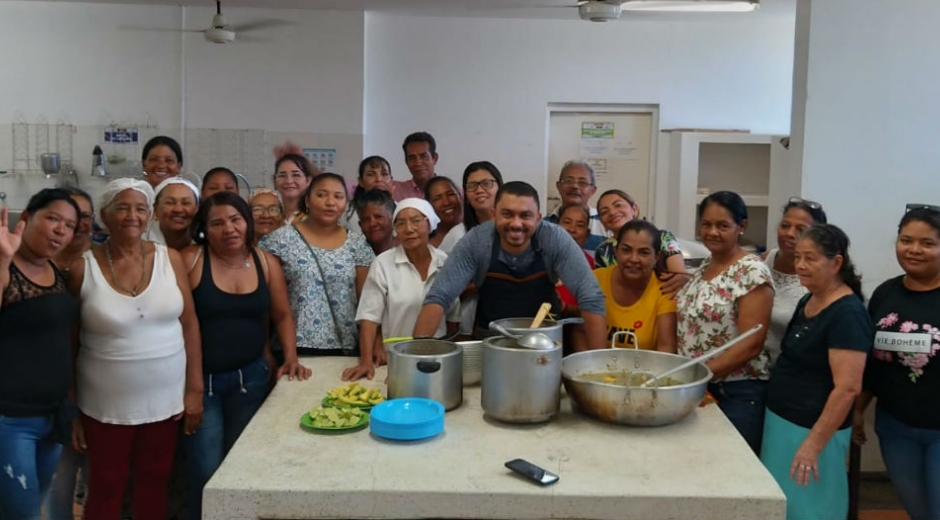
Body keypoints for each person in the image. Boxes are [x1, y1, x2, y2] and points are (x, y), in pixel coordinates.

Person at [67, 178, 203, 520]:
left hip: (164, 399)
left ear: (150, 216)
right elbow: (68, 344)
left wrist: (194, 390)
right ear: (104, 215)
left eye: (140, 208)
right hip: (103, 404)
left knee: (154, 482)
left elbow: (189, 325)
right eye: (122, 208)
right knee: (106, 484)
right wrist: (70, 409)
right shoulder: (84, 266)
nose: (132, 216)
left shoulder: (169, 259)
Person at [181, 192, 310, 519]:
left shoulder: (265, 262)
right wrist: (192, 389)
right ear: (204, 229)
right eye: (217, 223)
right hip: (202, 385)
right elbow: (181, 324)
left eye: (236, 219)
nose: (229, 228)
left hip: (251, 380)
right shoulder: (191, 260)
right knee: (206, 472)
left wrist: (290, 356)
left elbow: (282, 315)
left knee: (243, 468)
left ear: (247, 222)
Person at [761, 224, 872, 520]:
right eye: (797, 257)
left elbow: (848, 388)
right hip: (782, 423)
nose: (800, 265)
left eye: (810, 258)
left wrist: (812, 445)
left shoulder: (847, 313)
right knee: (784, 505)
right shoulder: (808, 299)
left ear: (836, 263)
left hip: (813, 431)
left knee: (813, 508)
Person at [413, 181, 607, 350]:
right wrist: (414, 358)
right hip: (490, 343)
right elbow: (439, 296)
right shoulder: (477, 241)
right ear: (493, 215)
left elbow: (591, 298)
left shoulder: (554, 239)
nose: (516, 223)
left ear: (538, 218)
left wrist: (600, 365)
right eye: (507, 214)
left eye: (525, 216)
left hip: (544, 345)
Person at [854, 205, 940, 520]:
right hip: (895, 428)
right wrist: (859, 407)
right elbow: (873, 362)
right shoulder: (885, 293)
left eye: (928, 243)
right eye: (906, 240)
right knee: (917, 511)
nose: (914, 250)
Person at [0, 191, 79, 520]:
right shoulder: (6, 267)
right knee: (24, 513)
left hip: (52, 414)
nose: (61, 229)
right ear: (26, 219)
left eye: (70, 224)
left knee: (36, 502)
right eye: (52, 218)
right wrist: (3, 259)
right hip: (11, 418)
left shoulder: (54, 269)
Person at [675, 191, 773, 454]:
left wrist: (701, 376)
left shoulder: (751, 271)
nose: (712, 232)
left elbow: (751, 343)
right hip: (699, 389)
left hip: (736, 391)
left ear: (741, 227)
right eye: (706, 224)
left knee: (732, 469)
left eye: (722, 226)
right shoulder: (706, 265)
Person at [344, 198, 460, 381]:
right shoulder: (383, 263)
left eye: (416, 221)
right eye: (400, 223)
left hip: (435, 362)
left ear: (429, 223)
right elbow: (369, 317)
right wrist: (366, 361)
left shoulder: (445, 263)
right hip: (393, 361)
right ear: (395, 230)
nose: (408, 229)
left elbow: (453, 319)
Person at [261, 173, 375, 355]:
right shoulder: (278, 242)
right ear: (307, 200)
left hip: (345, 348)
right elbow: (264, 305)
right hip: (292, 349)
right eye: (321, 195)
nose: (330, 202)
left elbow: (368, 303)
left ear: (346, 204)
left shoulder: (358, 244)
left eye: (338, 196)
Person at [45, 188, 94, 520]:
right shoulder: (33, 266)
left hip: (100, 386)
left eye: (84, 216)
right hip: (48, 388)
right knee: (59, 476)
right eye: (66, 216)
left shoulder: (104, 262)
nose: (77, 223)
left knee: (98, 475)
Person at [587, 219, 677, 353]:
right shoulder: (595, 280)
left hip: (647, 370)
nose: (634, 259)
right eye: (626, 250)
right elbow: (580, 331)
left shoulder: (666, 289)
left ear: (656, 258)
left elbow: (666, 348)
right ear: (616, 252)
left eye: (644, 252)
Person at [762, 197, 828, 366]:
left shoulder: (817, 280)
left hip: (787, 371)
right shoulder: (764, 260)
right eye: (785, 226)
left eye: (800, 229)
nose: (789, 234)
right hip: (750, 367)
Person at [595, 189, 688, 295]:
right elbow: (605, 288)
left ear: (634, 209)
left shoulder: (663, 237)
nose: (612, 212)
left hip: (663, 297)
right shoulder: (603, 250)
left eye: (618, 205)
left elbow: (678, 276)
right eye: (604, 212)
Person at [457, 161, 504, 336]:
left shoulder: (515, 227)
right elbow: (447, 289)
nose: (479, 190)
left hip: (512, 318)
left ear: (500, 187)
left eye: (486, 183)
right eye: (472, 186)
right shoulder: (458, 235)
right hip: (470, 326)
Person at [546, 160, 607, 247]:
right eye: (568, 181)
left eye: (582, 182)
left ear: (592, 190)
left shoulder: (605, 223)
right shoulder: (544, 225)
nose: (574, 186)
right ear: (558, 186)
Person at [146, 177, 200, 251]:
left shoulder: (208, 242)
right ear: (155, 209)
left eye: (186, 203)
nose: (178, 209)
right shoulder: (140, 241)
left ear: (197, 209)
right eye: (170, 203)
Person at [345, 156, 395, 233]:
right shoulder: (346, 212)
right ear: (361, 181)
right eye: (371, 174)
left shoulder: (401, 209)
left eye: (384, 174)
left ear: (391, 180)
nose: (379, 179)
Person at [393, 132, 438, 201]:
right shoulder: (396, 191)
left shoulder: (450, 192)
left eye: (424, 156)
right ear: (406, 162)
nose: (418, 163)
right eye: (412, 158)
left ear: (435, 158)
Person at [274, 153, 316, 225]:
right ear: (275, 181)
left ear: (308, 180)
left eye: (296, 175)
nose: (289, 181)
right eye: (282, 175)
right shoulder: (271, 217)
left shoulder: (317, 218)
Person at [425, 176, 464, 251]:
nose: (446, 202)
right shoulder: (422, 243)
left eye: (450, 194)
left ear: (460, 196)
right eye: (437, 198)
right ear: (428, 205)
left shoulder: (475, 232)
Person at [355, 189, 396, 256]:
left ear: (393, 219)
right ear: (360, 225)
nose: (372, 223)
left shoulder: (409, 250)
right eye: (366, 219)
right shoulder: (355, 255)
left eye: (378, 217)